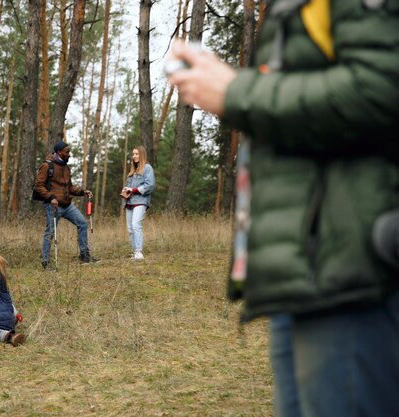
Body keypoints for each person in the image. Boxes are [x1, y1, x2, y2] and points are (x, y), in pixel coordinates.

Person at [166, 1, 399, 416]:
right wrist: (236, 88)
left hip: (354, 269)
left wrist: (238, 92)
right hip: (308, 272)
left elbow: (380, 86)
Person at [34, 140, 99, 268]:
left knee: (82, 223)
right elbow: (38, 186)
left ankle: (85, 256)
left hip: (67, 205)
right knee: (50, 233)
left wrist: (82, 192)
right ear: (59, 152)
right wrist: (51, 197)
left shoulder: (66, 167)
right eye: (67, 152)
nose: (69, 154)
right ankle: (45, 262)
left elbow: (69, 187)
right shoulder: (47, 166)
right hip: (53, 205)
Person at [121, 145, 155, 260]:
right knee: (130, 228)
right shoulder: (132, 171)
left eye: (136, 154)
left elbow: (150, 185)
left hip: (141, 201)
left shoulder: (147, 168)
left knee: (136, 225)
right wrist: (126, 190)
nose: (134, 156)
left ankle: (139, 252)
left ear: (142, 155)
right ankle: (135, 252)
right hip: (129, 202)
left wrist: (134, 190)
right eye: (133, 154)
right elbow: (129, 186)